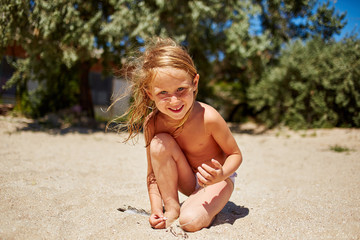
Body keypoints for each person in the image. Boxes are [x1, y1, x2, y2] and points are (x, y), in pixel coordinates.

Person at [110, 37, 242, 232]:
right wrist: (156, 210)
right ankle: (172, 208)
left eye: (181, 89)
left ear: (195, 83)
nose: (174, 100)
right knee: (158, 143)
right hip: (187, 180)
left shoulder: (209, 117)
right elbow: (153, 175)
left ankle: (196, 208)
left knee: (188, 221)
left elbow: (235, 155)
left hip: (218, 179)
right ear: (149, 94)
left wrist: (221, 174)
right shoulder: (152, 123)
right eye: (163, 92)